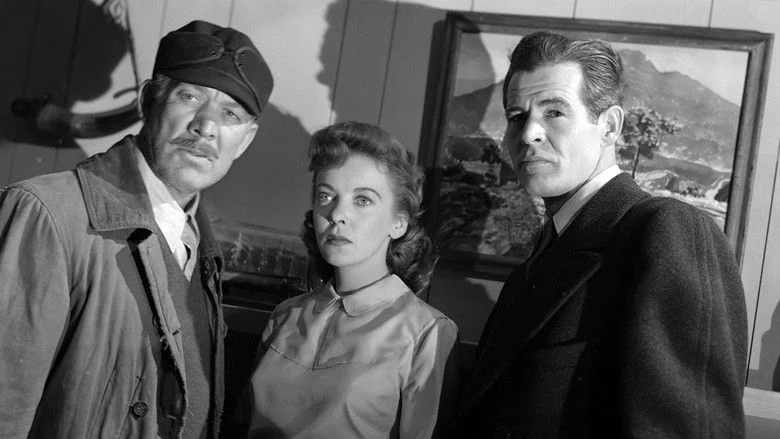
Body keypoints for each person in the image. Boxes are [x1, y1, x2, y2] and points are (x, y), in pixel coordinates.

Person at [456, 32, 748, 438]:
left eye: (554, 112)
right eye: (516, 116)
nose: (528, 134)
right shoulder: (534, 264)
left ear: (609, 127)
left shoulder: (666, 230)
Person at [0, 20, 273, 438]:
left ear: (246, 140)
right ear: (148, 100)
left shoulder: (202, 249)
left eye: (230, 114)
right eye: (190, 96)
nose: (206, 126)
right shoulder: (47, 213)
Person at [244, 121, 459, 438]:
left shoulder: (427, 333)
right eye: (326, 196)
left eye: (363, 200)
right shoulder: (285, 316)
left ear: (398, 223)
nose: (336, 214)